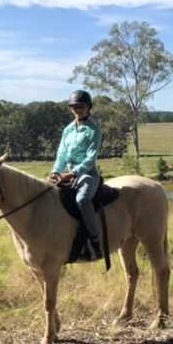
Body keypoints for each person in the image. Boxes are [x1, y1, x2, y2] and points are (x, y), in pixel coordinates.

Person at [49, 90, 104, 260]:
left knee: (82, 199)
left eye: (81, 106)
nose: (77, 109)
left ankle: (94, 240)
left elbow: (90, 158)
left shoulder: (94, 130)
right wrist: (55, 172)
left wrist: (72, 173)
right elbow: (62, 155)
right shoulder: (68, 130)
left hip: (87, 174)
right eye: (74, 107)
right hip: (67, 174)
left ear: (88, 108)